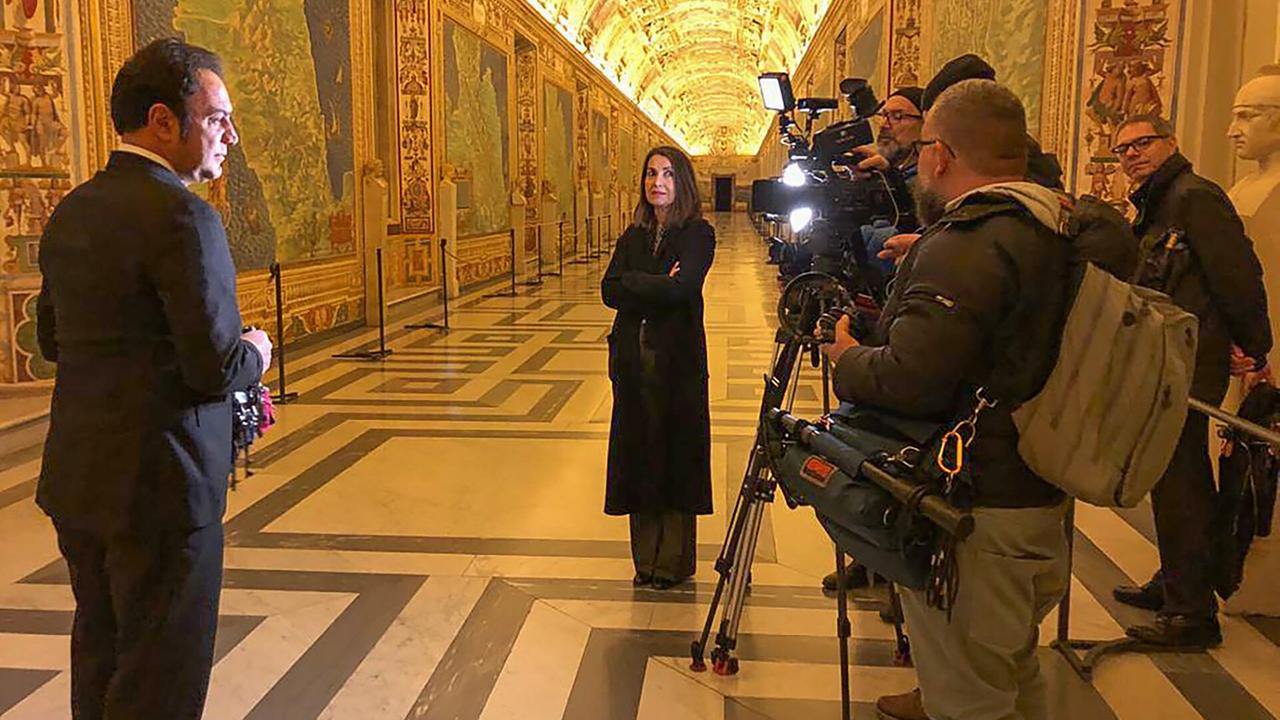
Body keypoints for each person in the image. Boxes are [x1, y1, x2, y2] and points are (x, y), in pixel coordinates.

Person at [35, 38, 271, 719]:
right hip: (165, 491)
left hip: (80, 480)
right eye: (219, 118)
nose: (231, 135)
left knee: (102, 654)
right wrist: (257, 349)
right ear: (165, 121)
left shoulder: (74, 208)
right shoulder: (184, 216)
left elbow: (54, 341)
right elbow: (214, 368)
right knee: (160, 678)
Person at [822, 80, 1073, 720]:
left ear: (940, 154)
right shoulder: (1053, 222)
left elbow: (909, 380)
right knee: (1010, 672)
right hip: (1039, 489)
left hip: (974, 508)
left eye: (925, 141)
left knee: (968, 700)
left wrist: (847, 358)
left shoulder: (966, 243)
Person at [1110, 114, 1272, 647]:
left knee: (1180, 478)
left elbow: (1237, 272)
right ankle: (1179, 579)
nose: (1132, 154)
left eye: (1142, 143)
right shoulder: (1159, 202)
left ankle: (1190, 614)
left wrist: (1255, 346)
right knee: (1173, 474)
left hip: (1187, 360)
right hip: (1167, 355)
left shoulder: (1193, 196)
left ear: (1171, 143)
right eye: (1123, 149)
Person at [602, 145, 716, 589]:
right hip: (632, 362)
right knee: (638, 454)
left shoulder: (698, 234)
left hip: (677, 364)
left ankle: (672, 561)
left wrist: (638, 284)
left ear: (682, 182)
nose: (658, 182)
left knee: (675, 455)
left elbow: (682, 288)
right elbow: (609, 290)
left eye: (668, 174)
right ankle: (644, 560)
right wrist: (651, 282)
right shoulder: (631, 237)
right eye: (651, 173)